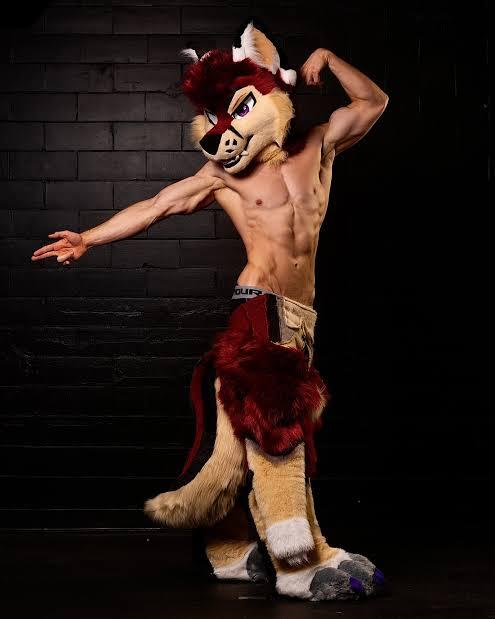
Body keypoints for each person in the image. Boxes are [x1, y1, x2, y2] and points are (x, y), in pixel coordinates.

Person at [31, 23, 388, 602]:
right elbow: (157, 205)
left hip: (302, 317)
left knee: (248, 437)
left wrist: (327, 55)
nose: (226, 126)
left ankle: (225, 549)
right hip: (261, 307)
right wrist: (88, 239)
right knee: (277, 429)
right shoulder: (223, 173)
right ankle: (298, 562)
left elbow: (373, 102)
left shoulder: (319, 146)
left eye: (238, 107)